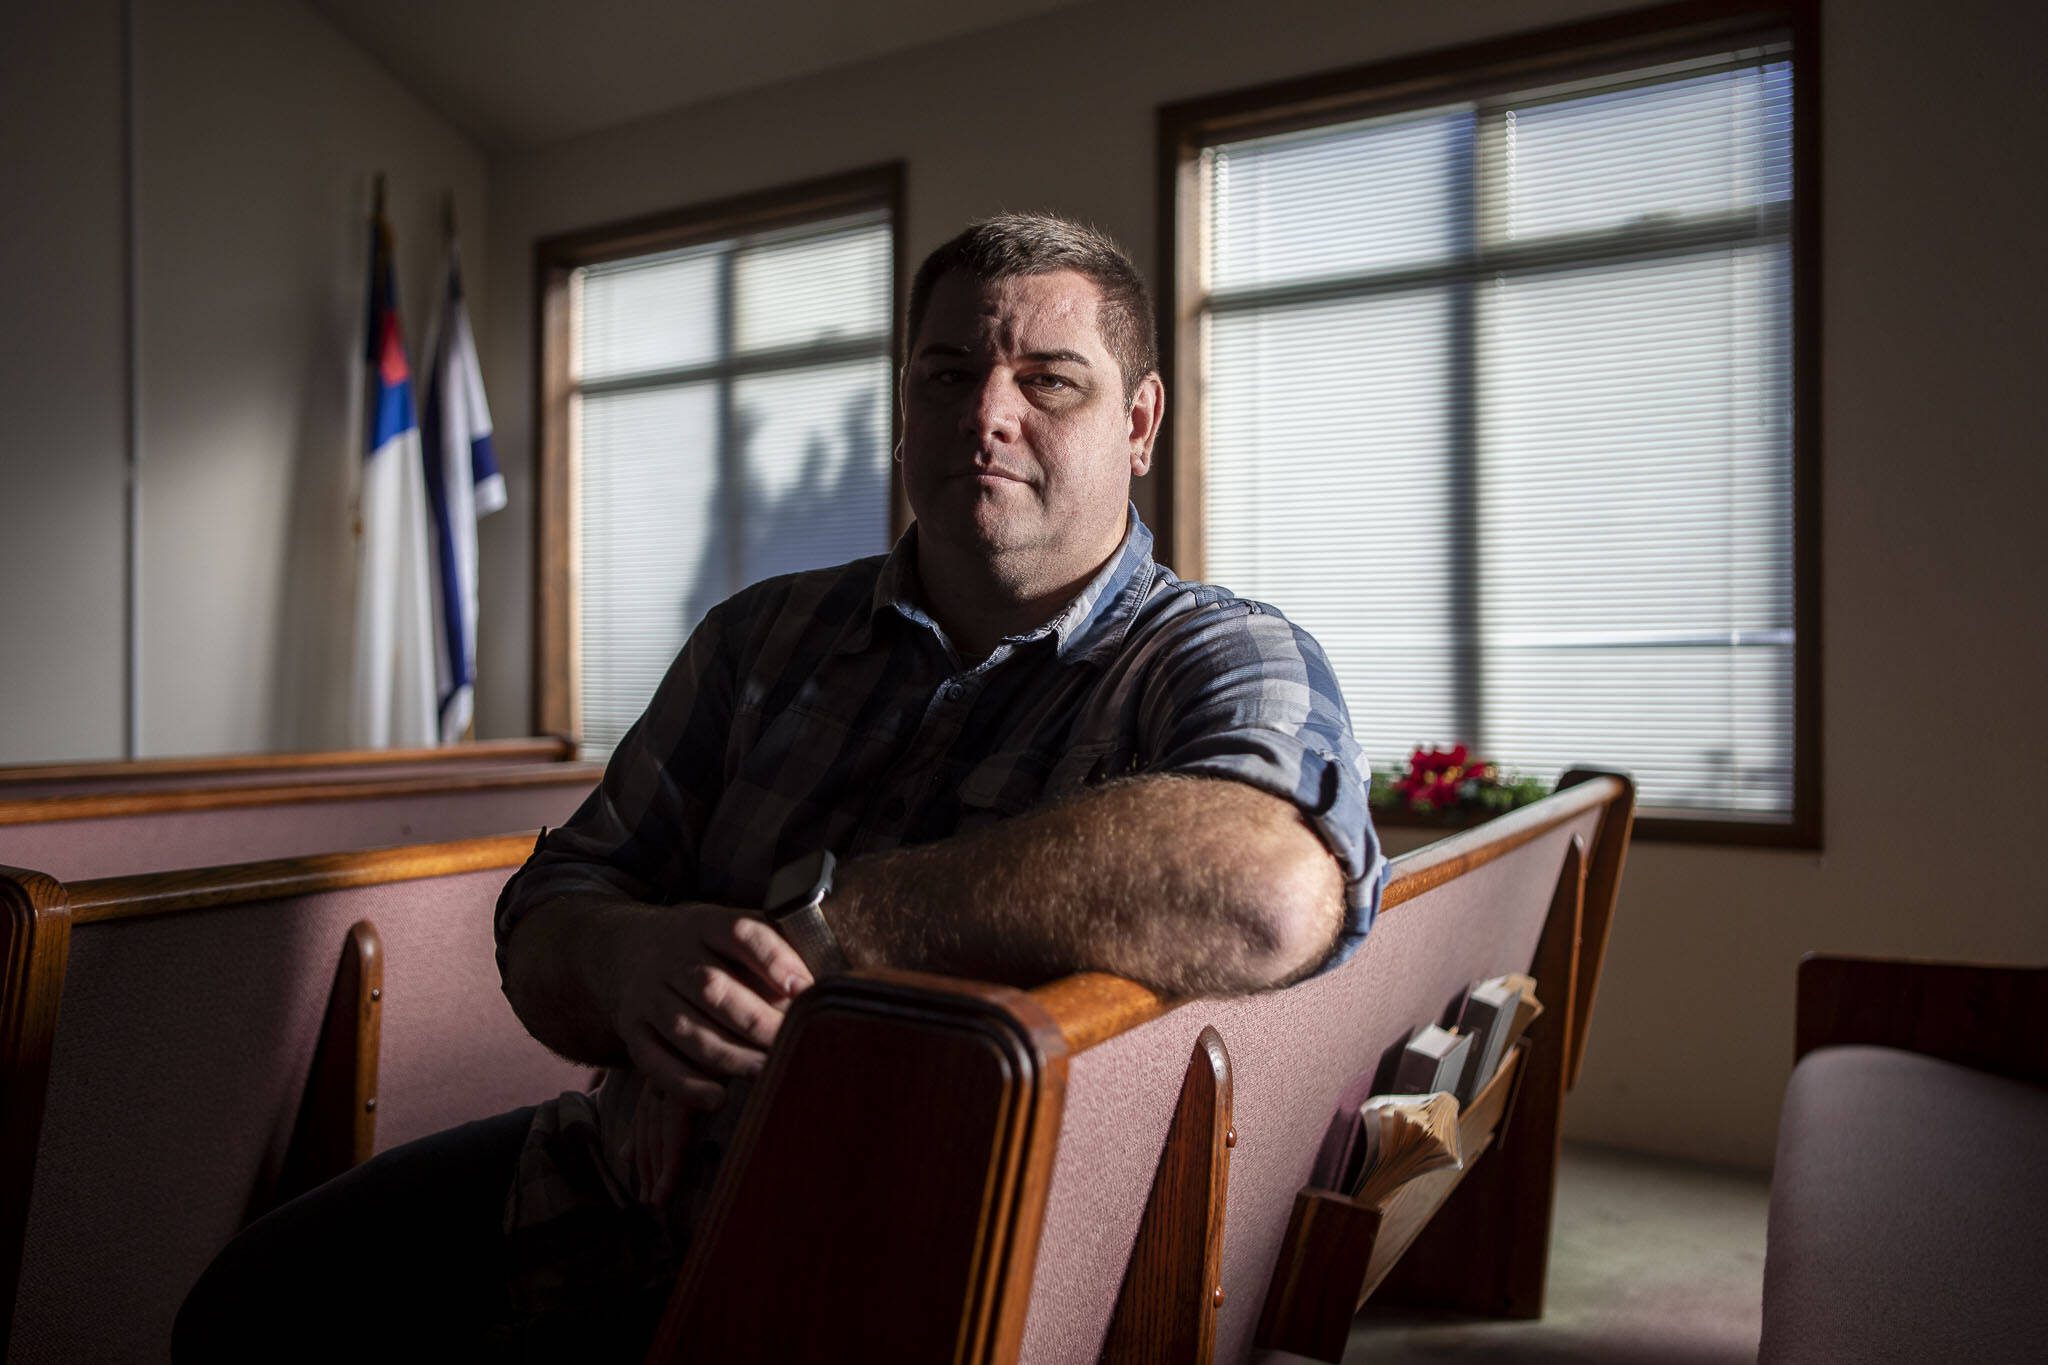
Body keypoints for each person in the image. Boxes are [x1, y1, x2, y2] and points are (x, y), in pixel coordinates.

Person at [173, 212, 1384, 1358]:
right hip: (610, 1183)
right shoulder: (760, 638)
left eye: (1048, 380)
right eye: (946, 373)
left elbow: (1272, 889)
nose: (987, 415)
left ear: (1138, 420)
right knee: (245, 1308)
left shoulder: (1217, 654)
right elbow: (549, 911)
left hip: (927, 1269)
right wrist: (633, 970)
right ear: (903, 404)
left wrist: (821, 937)